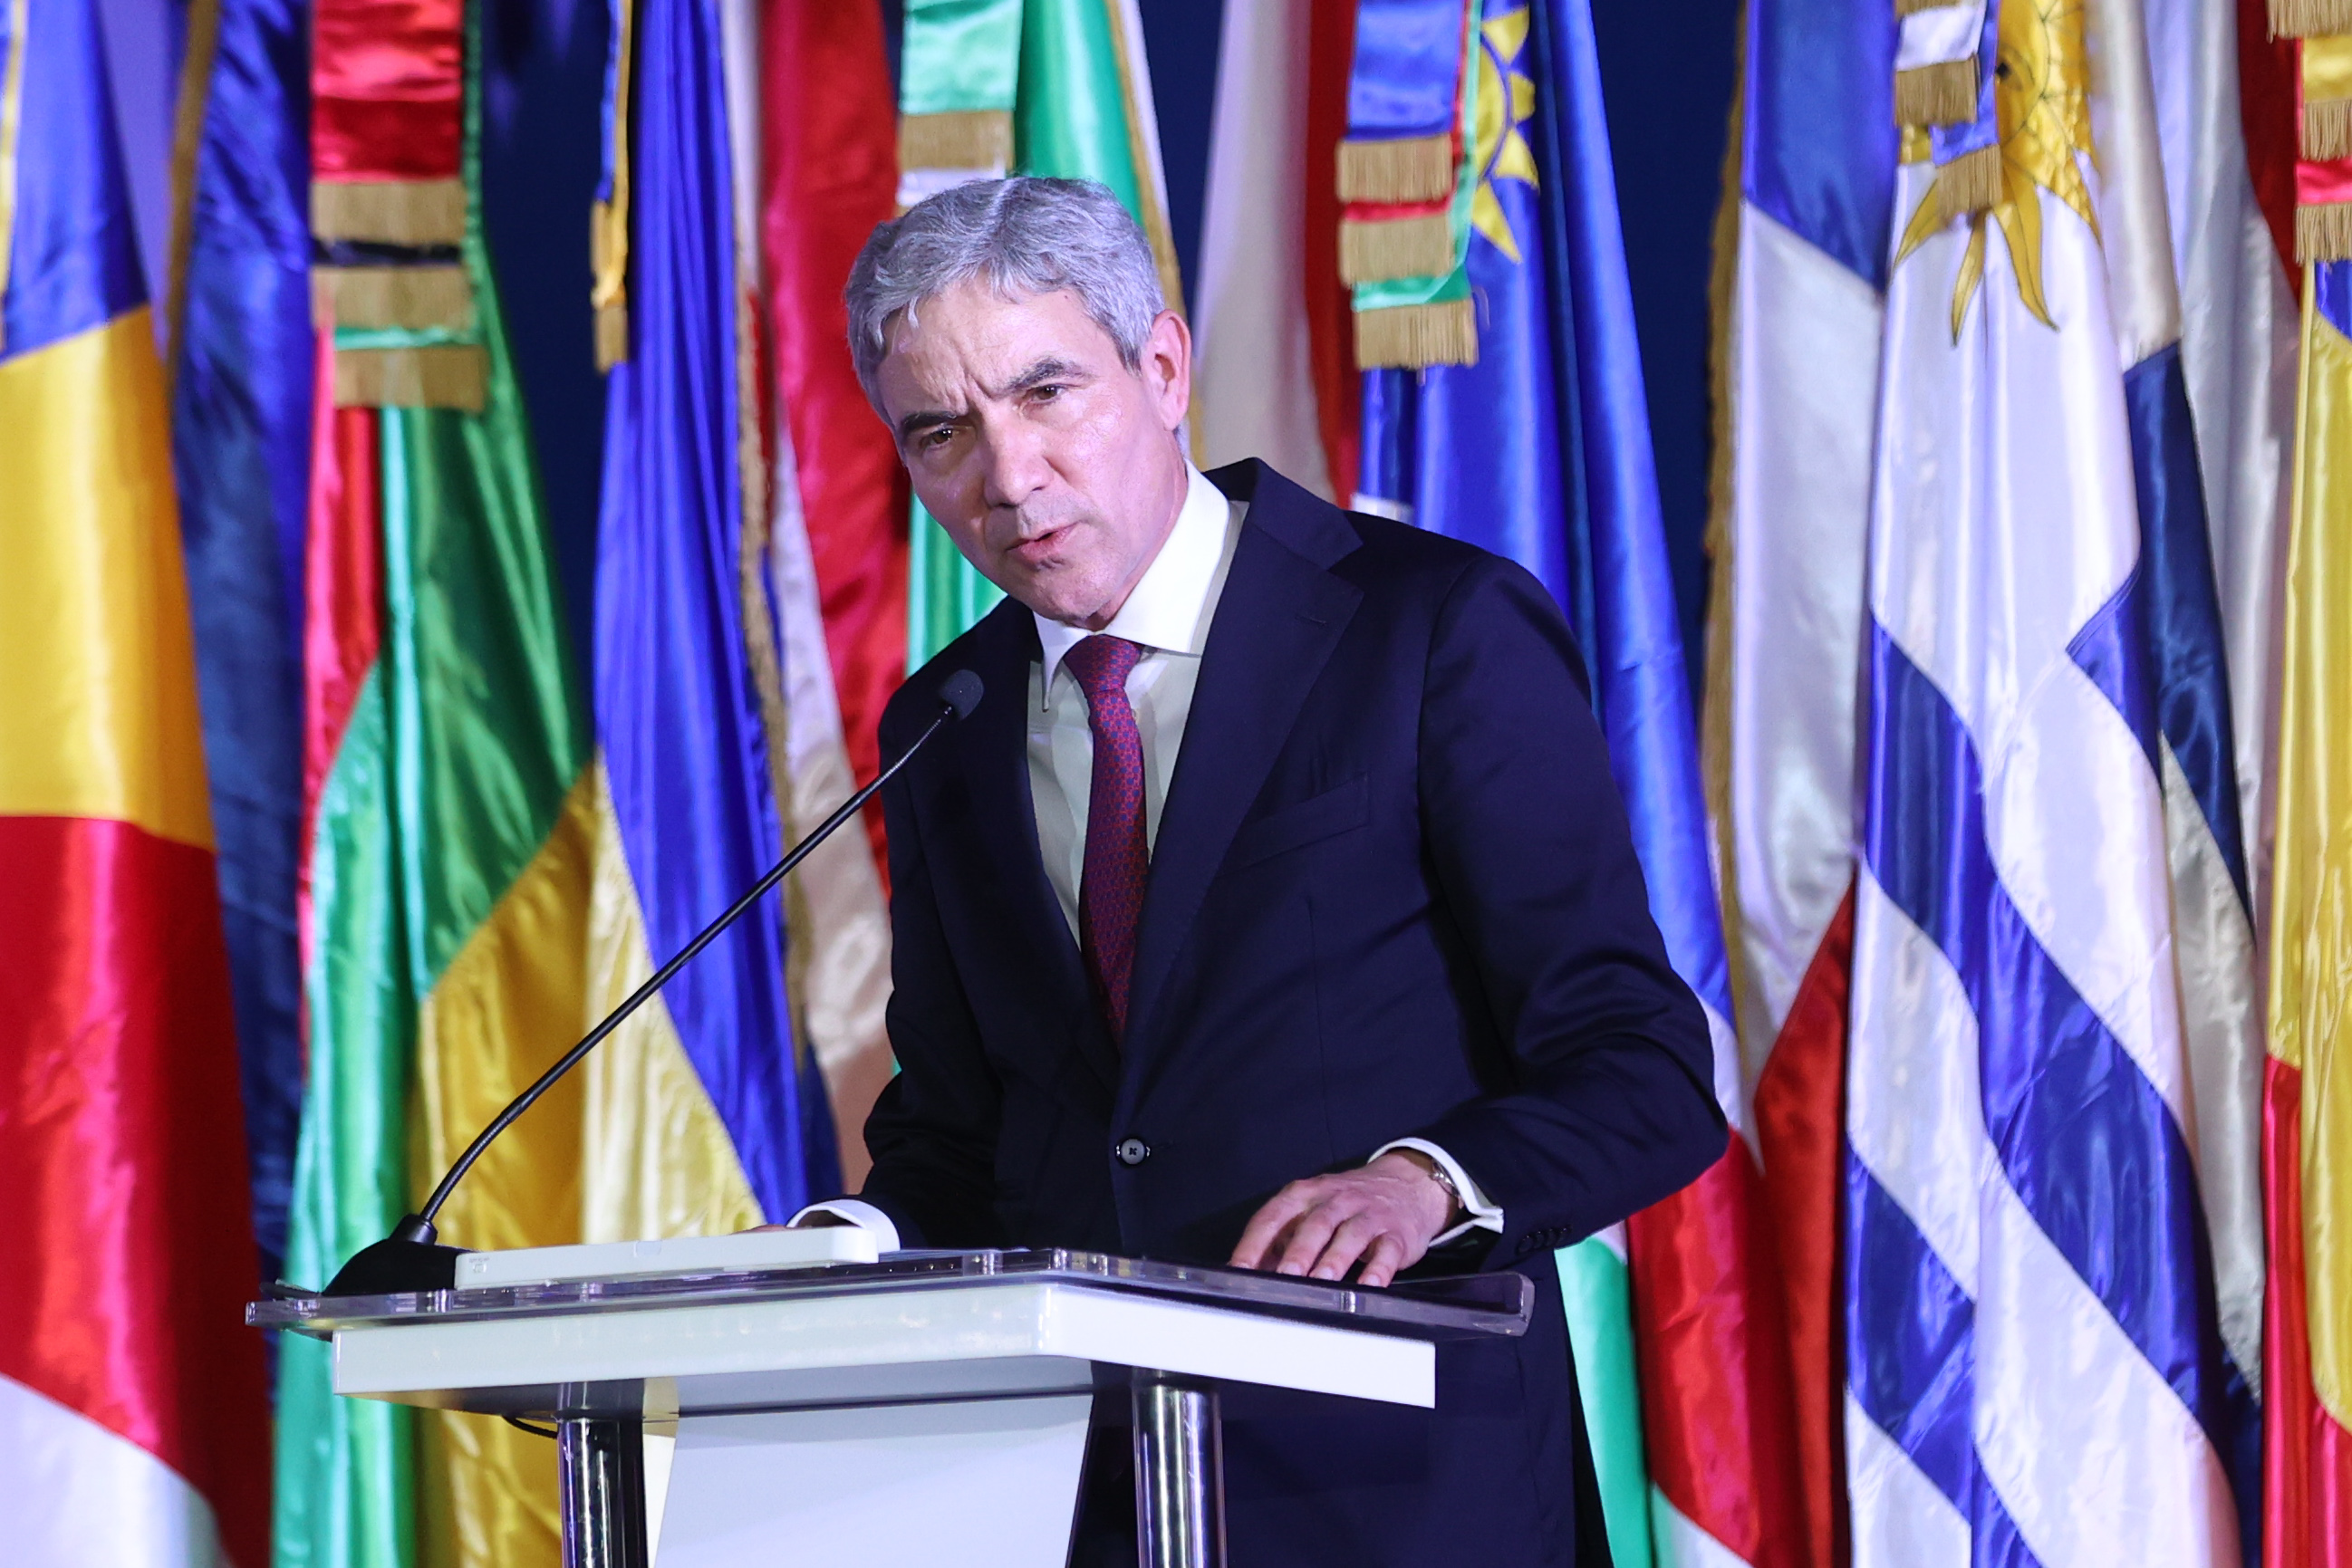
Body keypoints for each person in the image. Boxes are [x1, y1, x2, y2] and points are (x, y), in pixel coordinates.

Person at [793, 176, 1724, 1566]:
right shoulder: (947, 720)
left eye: (1046, 394)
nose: (1009, 477)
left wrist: (1425, 1182)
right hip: (1088, 1502)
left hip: (1403, 1499)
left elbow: (1643, 1066)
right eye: (942, 431)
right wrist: (839, 1246)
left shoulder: (1431, 632)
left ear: (1164, 368)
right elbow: (964, 1135)